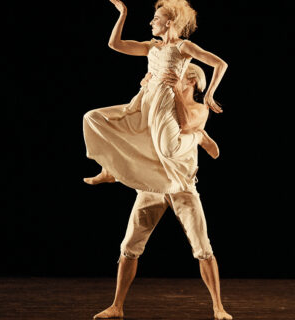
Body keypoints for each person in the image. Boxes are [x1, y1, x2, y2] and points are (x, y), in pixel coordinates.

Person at [91, 63, 232, 320]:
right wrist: (146, 88)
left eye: (177, 78)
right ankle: (117, 306)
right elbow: (135, 119)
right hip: (152, 186)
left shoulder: (199, 109)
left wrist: (198, 133)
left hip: (182, 188)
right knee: (130, 246)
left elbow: (188, 124)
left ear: (190, 82)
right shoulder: (161, 109)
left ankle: (218, 307)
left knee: (203, 248)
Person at [83, 0, 227, 191]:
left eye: (156, 19)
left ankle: (199, 137)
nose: (151, 22)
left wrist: (209, 94)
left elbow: (220, 64)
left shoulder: (183, 46)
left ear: (169, 23)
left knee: (168, 150)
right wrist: (123, 14)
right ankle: (110, 170)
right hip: (144, 100)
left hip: (165, 102)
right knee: (93, 118)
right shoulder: (151, 47)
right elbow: (114, 44)